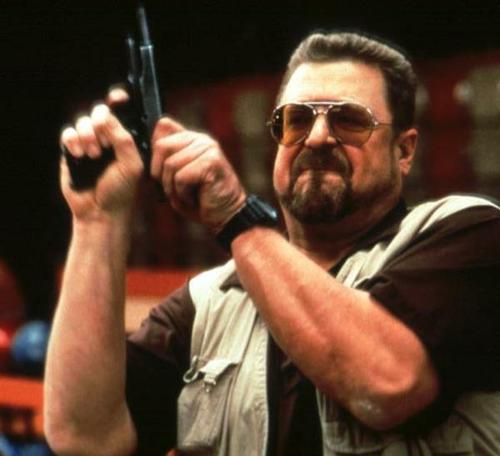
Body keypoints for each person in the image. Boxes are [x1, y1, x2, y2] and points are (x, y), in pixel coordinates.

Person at [44, 31, 500, 456]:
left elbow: (388, 384)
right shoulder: (208, 303)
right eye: (296, 120)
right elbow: (85, 437)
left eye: (348, 120)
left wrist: (236, 217)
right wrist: (96, 220)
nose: (317, 137)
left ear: (404, 151)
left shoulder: (468, 231)